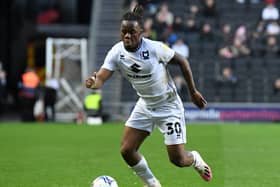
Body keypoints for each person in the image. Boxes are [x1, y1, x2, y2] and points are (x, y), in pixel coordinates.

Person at [85, 5, 212, 187]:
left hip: (168, 106)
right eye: (124, 32)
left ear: (142, 33)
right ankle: (152, 184)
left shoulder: (154, 48)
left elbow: (182, 61)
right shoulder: (116, 52)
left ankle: (195, 159)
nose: (127, 36)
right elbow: (101, 78)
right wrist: (93, 82)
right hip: (145, 104)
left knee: (178, 159)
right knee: (127, 150)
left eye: (132, 32)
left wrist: (193, 92)